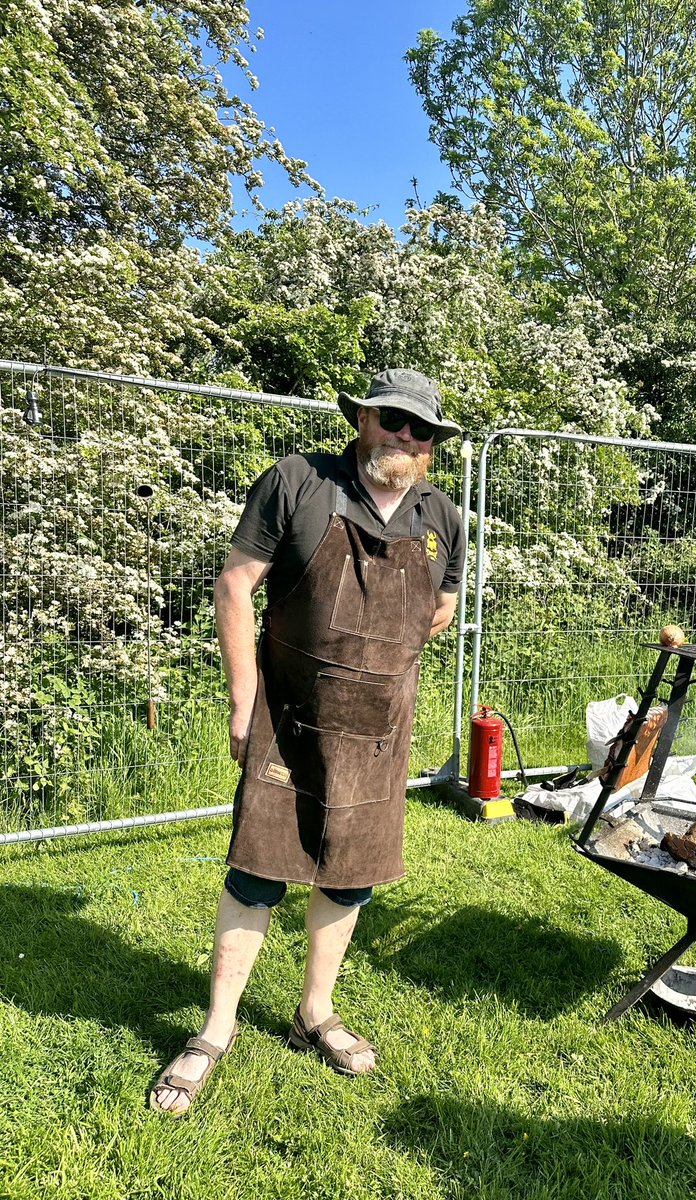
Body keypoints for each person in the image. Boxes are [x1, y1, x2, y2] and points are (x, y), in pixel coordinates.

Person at [150, 368, 465, 1115]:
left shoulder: (441, 515)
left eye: (421, 429)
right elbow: (235, 586)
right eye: (392, 419)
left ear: (432, 445)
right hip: (288, 717)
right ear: (362, 418)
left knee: (349, 875)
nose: (405, 436)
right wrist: (243, 700)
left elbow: (443, 606)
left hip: (378, 731)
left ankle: (314, 1012)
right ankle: (215, 1030)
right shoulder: (298, 482)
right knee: (257, 871)